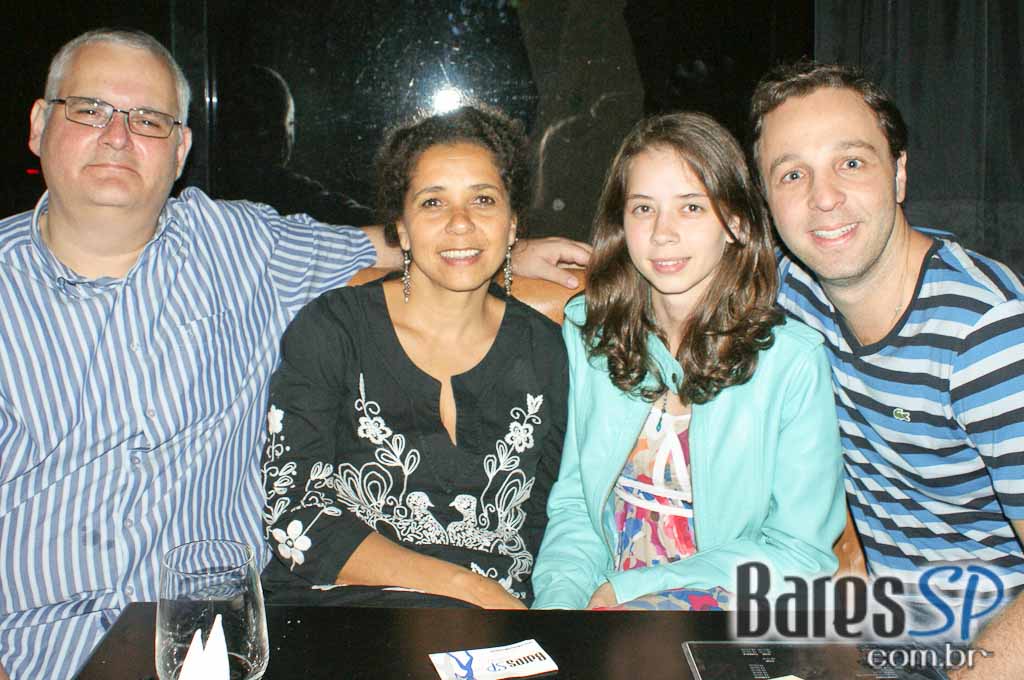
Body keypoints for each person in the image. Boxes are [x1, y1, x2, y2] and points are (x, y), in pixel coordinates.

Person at [0, 29, 588, 680]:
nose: (117, 136)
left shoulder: (238, 246)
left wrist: (508, 252)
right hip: (31, 652)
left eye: (147, 119)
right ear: (39, 124)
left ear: (181, 148)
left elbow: (394, 247)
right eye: (90, 109)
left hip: (212, 648)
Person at [530, 112, 846, 610]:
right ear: (621, 223)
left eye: (692, 207)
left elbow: (800, 553)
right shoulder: (591, 333)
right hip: (605, 610)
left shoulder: (791, 363)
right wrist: (559, 613)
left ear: (735, 224)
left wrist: (632, 590)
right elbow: (576, 510)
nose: (663, 233)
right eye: (643, 209)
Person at [260, 105, 567, 609]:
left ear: (513, 224)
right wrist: (468, 587)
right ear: (401, 228)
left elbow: (559, 521)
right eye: (433, 202)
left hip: (498, 632)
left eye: (483, 200)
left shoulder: (549, 352)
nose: (461, 223)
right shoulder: (333, 331)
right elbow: (297, 514)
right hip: (339, 613)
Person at [749, 61, 1024, 607]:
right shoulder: (794, 287)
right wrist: (557, 264)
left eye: (851, 163)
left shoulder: (989, 338)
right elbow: (677, 276)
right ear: (768, 200)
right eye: (793, 175)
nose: (824, 198)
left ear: (898, 174)